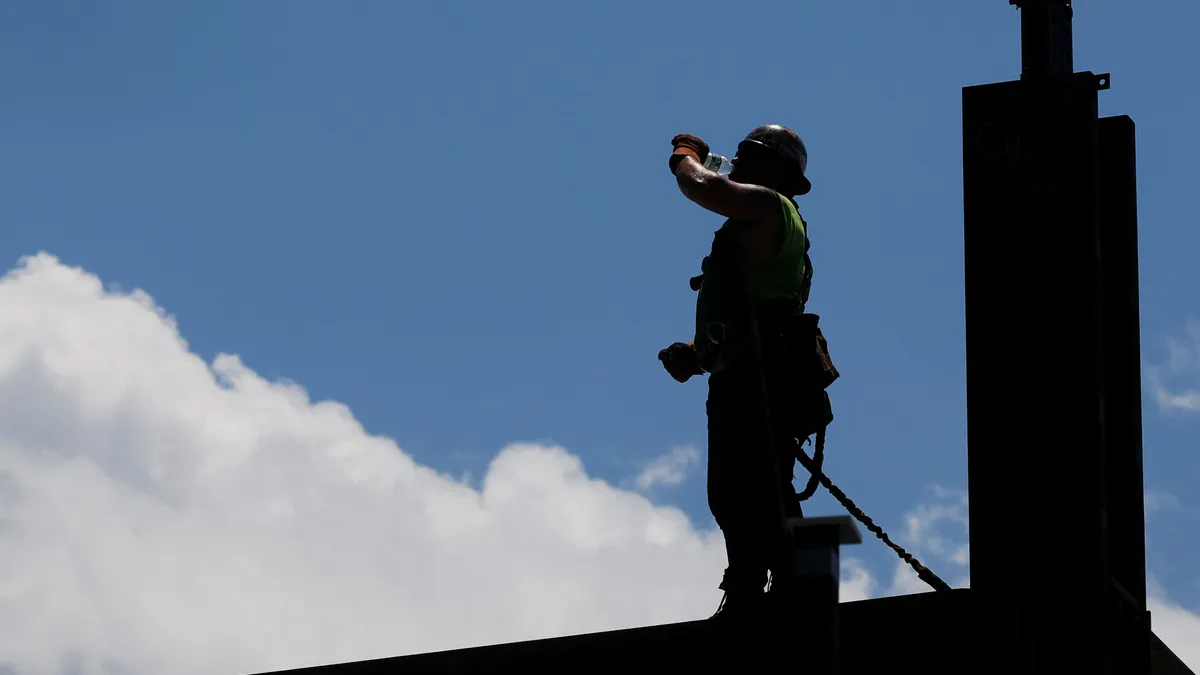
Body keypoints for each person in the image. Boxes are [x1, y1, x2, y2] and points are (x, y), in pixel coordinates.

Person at [658, 124, 823, 620]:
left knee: (755, 488)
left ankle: (784, 590)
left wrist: (686, 156)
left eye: (746, 161)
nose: (737, 168)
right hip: (747, 371)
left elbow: (701, 186)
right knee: (739, 490)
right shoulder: (758, 225)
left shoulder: (771, 208)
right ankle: (756, 587)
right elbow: (750, 310)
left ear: (768, 171)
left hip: (762, 376)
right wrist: (698, 352)